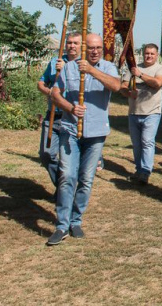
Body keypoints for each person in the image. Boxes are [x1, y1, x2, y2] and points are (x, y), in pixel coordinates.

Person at [47, 33, 120, 246]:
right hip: (69, 129)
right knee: (67, 176)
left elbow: (116, 87)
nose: (95, 51)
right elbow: (55, 94)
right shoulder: (69, 67)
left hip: (96, 132)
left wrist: (92, 71)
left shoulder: (107, 67)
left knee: (86, 179)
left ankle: (76, 220)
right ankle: (62, 225)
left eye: (98, 47)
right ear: (83, 49)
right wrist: (70, 107)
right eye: (90, 47)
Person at [37, 32, 81, 187]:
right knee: (46, 153)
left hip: (71, 116)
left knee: (67, 159)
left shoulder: (83, 65)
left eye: (76, 43)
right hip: (53, 115)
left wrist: (67, 69)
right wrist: (50, 92)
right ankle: (63, 186)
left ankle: (66, 190)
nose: (72, 46)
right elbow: (41, 83)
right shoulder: (55, 62)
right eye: (69, 42)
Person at [120, 43, 162, 184]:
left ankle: (145, 172)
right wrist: (128, 92)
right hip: (134, 112)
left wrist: (140, 75)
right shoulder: (133, 67)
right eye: (147, 53)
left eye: (152, 54)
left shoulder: (160, 69)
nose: (149, 56)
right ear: (143, 53)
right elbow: (122, 86)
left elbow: (157, 83)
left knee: (147, 141)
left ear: (157, 55)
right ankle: (139, 169)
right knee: (137, 144)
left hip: (152, 112)